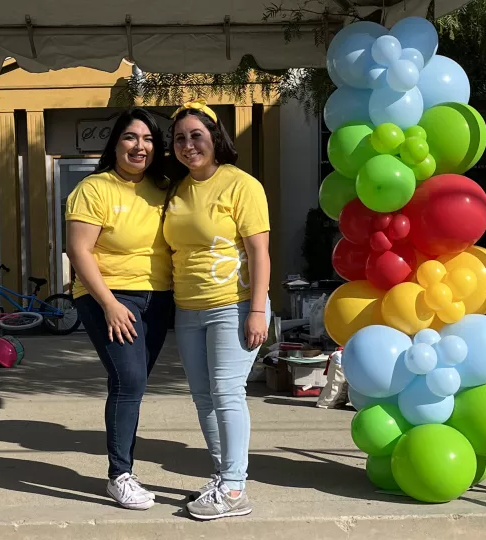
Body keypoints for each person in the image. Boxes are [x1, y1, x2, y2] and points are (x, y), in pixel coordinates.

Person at [163, 99, 272, 520]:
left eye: (196, 136)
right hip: (187, 309)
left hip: (232, 304)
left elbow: (259, 252)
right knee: (203, 398)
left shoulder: (241, 185)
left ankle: (234, 489)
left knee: (227, 394)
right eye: (180, 139)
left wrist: (258, 311)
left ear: (215, 139)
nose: (188, 145)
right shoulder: (177, 188)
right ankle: (222, 475)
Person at [65, 108, 175, 511]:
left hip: (157, 298)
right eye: (130, 137)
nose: (139, 146)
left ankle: (123, 469)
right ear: (115, 143)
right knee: (130, 381)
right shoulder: (94, 189)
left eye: (147, 139)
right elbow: (78, 250)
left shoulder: (163, 187)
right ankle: (119, 474)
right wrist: (109, 304)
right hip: (108, 297)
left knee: (130, 384)